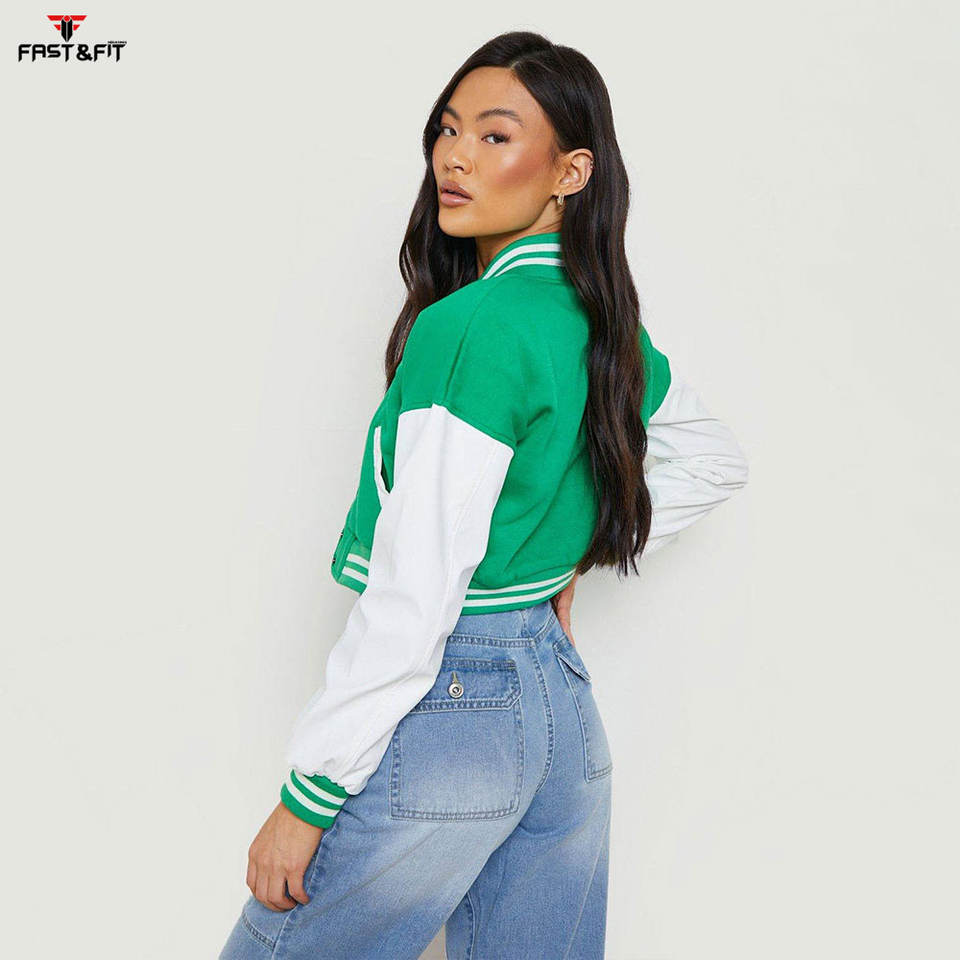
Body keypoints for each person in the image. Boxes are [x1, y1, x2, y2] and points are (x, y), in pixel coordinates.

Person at [219, 30, 749, 960]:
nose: (455, 157)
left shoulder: (471, 327)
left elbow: (414, 595)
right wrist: (574, 554)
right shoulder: (598, 321)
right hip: (561, 716)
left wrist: (308, 798)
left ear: (570, 172)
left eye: (496, 136)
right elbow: (709, 459)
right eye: (448, 129)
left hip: (458, 704)